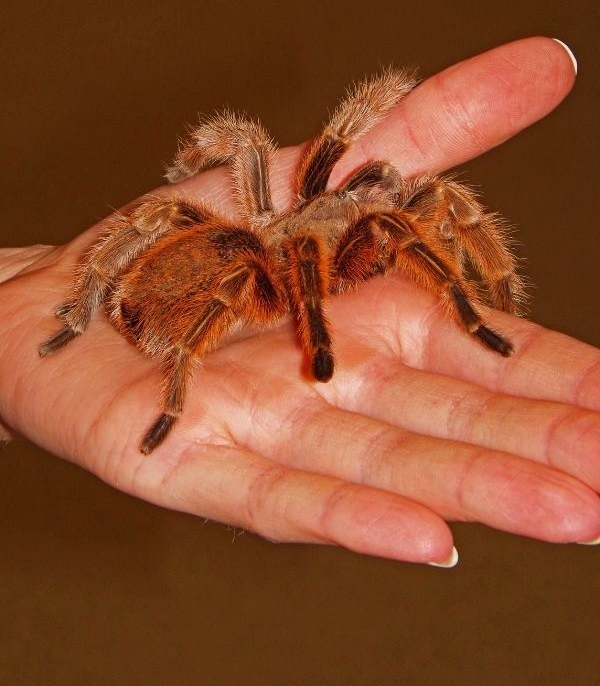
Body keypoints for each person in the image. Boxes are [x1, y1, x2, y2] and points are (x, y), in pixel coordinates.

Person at [1, 36, 598, 567]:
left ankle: (81, 310)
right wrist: (318, 338)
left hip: (219, 263)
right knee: (232, 242)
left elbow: (247, 144)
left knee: (193, 216)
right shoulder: (310, 248)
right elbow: (296, 219)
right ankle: (100, 323)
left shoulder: (299, 210)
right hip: (211, 293)